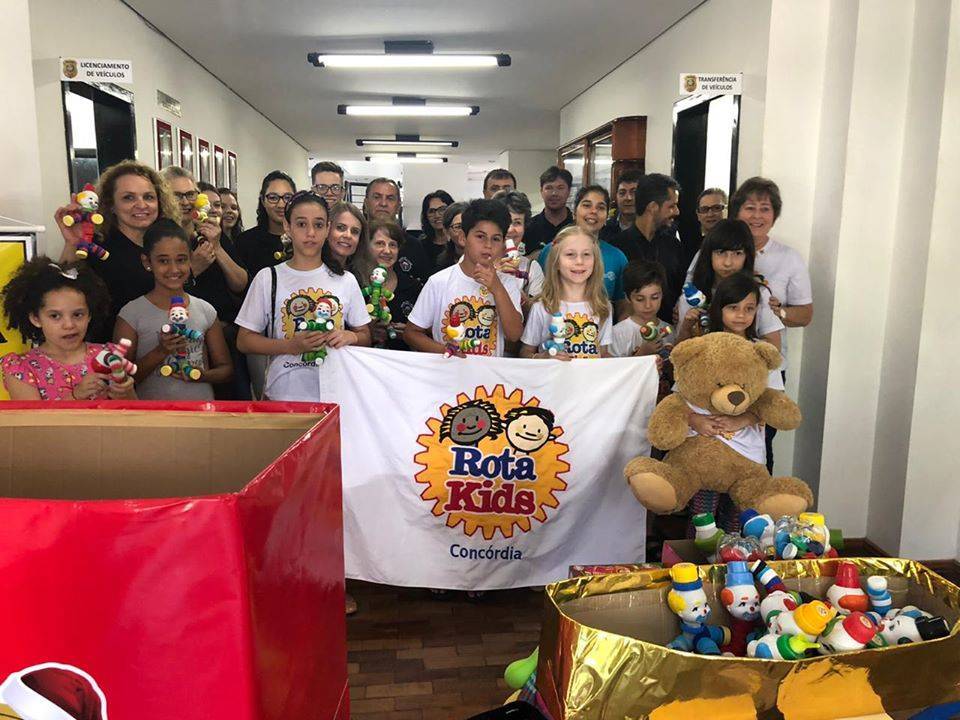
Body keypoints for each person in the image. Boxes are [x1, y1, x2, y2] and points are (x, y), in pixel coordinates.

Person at [236, 191, 371, 401]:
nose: (310, 233)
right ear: (287, 226)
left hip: (334, 394)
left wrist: (350, 336)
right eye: (301, 224)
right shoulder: (268, 278)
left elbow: (365, 336)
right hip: (283, 395)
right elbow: (244, 340)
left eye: (318, 225)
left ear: (327, 229)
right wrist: (290, 346)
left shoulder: (345, 280)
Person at [687, 271, 783, 529]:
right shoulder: (703, 347)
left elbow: (773, 402)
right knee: (701, 520)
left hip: (746, 454)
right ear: (719, 309)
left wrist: (743, 419)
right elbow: (680, 396)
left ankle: (734, 556)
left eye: (749, 308)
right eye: (733, 307)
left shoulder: (761, 352)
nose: (741, 315)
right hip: (705, 451)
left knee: (738, 520)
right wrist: (695, 420)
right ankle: (694, 557)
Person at [731, 177, 812, 473]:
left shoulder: (788, 258)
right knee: (717, 442)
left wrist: (781, 312)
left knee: (761, 442)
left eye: (764, 209)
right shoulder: (718, 248)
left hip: (767, 368)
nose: (757, 216)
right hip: (720, 364)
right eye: (749, 208)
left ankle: (758, 500)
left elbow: (805, 314)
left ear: (774, 215)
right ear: (737, 211)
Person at [55, 160, 180, 340]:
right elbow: (61, 292)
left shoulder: (167, 242)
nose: (141, 204)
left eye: (148, 197)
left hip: (162, 344)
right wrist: (72, 243)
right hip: (110, 347)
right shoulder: (98, 247)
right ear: (111, 204)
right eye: (129, 197)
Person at [114, 219, 232, 400]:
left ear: (190, 259)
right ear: (147, 262)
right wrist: (161, 351)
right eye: (163, 261)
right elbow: (120, 376)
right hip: (153, 413)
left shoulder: (205, 309)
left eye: (181, 260)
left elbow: (226, 370)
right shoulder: (131, 314)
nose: (174, 269)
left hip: (201, 410)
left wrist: (201, 375)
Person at [0, 257, 136, 400]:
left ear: (89, 315)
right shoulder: (22, 368)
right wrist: (75, 396)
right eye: (55, 316)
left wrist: (126, 392)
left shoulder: (108, 356)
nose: (69, 325)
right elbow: (32, 415)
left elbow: (135, 410)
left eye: (78, 314)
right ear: (36, 318)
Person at [404, 199, 522, 357]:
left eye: (496, 239)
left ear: (503, 244)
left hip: (488, 372)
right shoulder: (439, 282)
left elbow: (514, 335)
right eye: (480, 236)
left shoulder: (507, 282)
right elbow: (411, 333)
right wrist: (444, 350)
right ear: (462, 238)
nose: (488, 245)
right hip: (448, 370)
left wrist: (497, 288)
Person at [675, 219, 782, 351]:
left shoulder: (759, 293)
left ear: (747, 256)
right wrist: (686, 328)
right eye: (720, 252)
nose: (728, 263)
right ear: (709, 254)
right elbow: (678, 351)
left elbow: (774, 345)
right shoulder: (692, 296)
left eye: (737, 253)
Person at [520, 225, 612, 359]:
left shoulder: (603, 307)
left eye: (586, 254)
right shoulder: (542, 307)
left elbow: (603, 354)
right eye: (570, 254)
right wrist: (544, 357)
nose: (579, 261)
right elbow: (525, 353)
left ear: (595, 261)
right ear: (556, 262)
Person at [536, 185, 627, 307]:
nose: (593, 211)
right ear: (574, 212)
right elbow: (540, 293)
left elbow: (622, 305)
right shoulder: (552, 250)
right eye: (587, 205)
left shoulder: (617, 257)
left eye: (600, 207)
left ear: (606, 216)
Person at [610, 173, 683, 322]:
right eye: (671, 206)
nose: (677, 211)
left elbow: (681, 290)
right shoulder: (617, 248)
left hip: (668, 332)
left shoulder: (674, 246)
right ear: (653, 207)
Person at [353, 219, 423, 350]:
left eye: (393, 245)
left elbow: (427, 330)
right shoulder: (354, 283)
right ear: (366, 247)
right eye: (380, 243)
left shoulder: (412, 286)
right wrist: (367, 333)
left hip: (401, 358)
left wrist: (409, 333)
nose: (387, 251)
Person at [363, 177, 431, 283]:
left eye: (390, 198)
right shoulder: (356, 241)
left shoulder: (413, 246)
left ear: (398, 206)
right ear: (366, 203)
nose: (383, 203)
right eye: (377, 197)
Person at [236, 170, 296, 281]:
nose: (281, 204)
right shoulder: (245, 242)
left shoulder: (305, 239)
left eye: (287, 197)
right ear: (263, 201)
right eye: (273, 198)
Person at [609, 260, 675, 359]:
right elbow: (614, 367)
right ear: (627, 297)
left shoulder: (670, 330)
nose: (648, 305)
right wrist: (642, 353)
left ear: (662, 295)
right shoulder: (617, 333)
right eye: (640, 299)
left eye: (654, 298)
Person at [493, 190, 544, 307]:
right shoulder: (476, 261)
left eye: (517, 223)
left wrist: (512, 285)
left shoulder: (531, 268)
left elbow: (536, 314)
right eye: (505, 222)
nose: (510, 229)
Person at [523, 166, 574, 254]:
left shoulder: (577, 226)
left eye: (560, 188)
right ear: (541, 191)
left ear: (569, 191)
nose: (554, 193)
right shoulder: (528, 227)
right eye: (549, 188)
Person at [599, 169, 643, 244]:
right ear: (616, 196)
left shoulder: (652, 229)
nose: (628, 198)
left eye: (634, 192)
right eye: (622, 193)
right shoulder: (604, 229)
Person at [418, 190, 455, 269]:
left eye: (442, 209)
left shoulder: (460, 243)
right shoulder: (420, 246)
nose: (437, 215)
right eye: (431, 211)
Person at [326, 202, 367, 272]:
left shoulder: (363, 274)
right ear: (327, 229)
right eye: (340, 228)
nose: (348, 235)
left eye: (355, 231)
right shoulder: (311, 269)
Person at [434, 202, 468, 272]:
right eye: (458, 227)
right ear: (446, 232)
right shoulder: (442, 266)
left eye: (468, 225)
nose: (464, 231)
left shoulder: (487, 258)